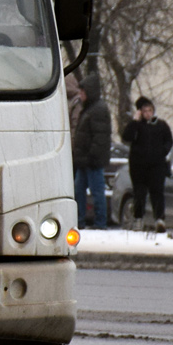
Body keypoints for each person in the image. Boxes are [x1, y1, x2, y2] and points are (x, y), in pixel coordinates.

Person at [122, 96, 173, 232]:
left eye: (150, 110)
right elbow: (126, 137)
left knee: (157, 192)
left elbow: (169, 140)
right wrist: (134, 121)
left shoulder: (161, 125)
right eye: (144, 111)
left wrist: (162, 151)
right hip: (138, 166)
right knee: (139, 193)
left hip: (157, 165)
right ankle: (138, 219)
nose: (147, 113)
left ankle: (159, 219)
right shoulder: (136, 126)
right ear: (140, 112)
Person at [70, 72, 111, 229]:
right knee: (79, 190)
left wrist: (91, 156)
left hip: (91, 161)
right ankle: (79, 221)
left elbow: (99, 138)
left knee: (96, 192)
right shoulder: (89, 108)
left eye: (82, 92)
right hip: (84, 160)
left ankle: (100, 222)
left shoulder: (97, 110)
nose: (80, 95)